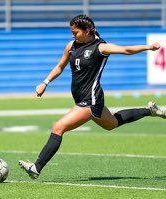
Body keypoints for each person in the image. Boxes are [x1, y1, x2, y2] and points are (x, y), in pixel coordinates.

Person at [19, 15, 166, 179]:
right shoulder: (71, 46)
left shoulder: (100, 47)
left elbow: (126, 50)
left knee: (58, 127)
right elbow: (60, 66)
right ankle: (149, 110)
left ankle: (36, 168)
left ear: (87, 30)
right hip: (82, 98)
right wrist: (45, 82)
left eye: (75, 32)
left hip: (90, 99)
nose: (73, 35)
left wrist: (148, 47)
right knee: (112, 123)